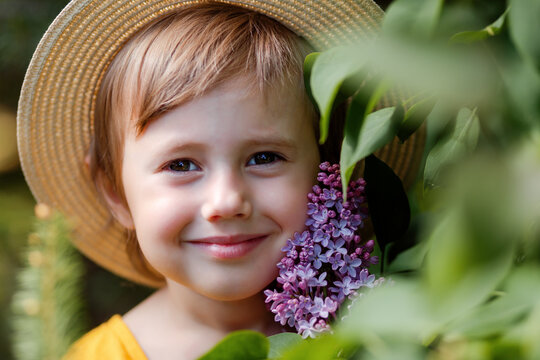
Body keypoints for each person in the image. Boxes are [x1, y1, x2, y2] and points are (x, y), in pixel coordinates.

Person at [17, 0, 423, 358]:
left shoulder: (389, 334)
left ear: (330, 172)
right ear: (115, 193)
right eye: (180, 165)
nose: (227, 201)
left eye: (264, 157)